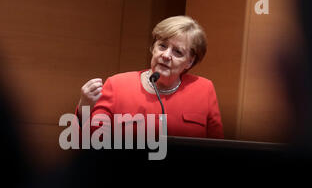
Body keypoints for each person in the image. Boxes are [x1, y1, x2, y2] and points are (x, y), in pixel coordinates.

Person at [76, 15, 224, 139]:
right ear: (153, 48)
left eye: (177, 52)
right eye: (162, 46)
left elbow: (218, 148)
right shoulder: (117, 86)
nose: (166, 55)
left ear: (190, 61)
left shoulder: (203, 90)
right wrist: (85, 108)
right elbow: (92, 144)